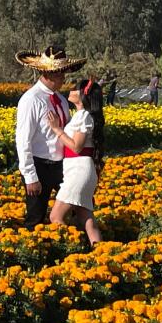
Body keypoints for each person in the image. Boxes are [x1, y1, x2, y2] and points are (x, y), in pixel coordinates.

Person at [15, 45, 86, 228]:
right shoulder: (31, 100)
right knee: (36, 217)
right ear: (47, 75)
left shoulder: (60, 99)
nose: (63, 78)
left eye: (63, 73)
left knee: (75, 206)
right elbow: (23, 140)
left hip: (62, 165)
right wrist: (30, 176)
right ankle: (36, 249)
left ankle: (74, 245)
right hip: (40, 166)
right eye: (60, 74)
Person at [46, 77, 105, 246]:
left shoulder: (84, 116)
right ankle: (100, 251)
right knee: (86, 218)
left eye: (75, 89)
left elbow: (77, 147)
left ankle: (72, 249)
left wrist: (57, 129)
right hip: (79, 169)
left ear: (83, 95)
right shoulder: (81, 115)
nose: (70, 91)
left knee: (56, 217)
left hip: (78, 170)